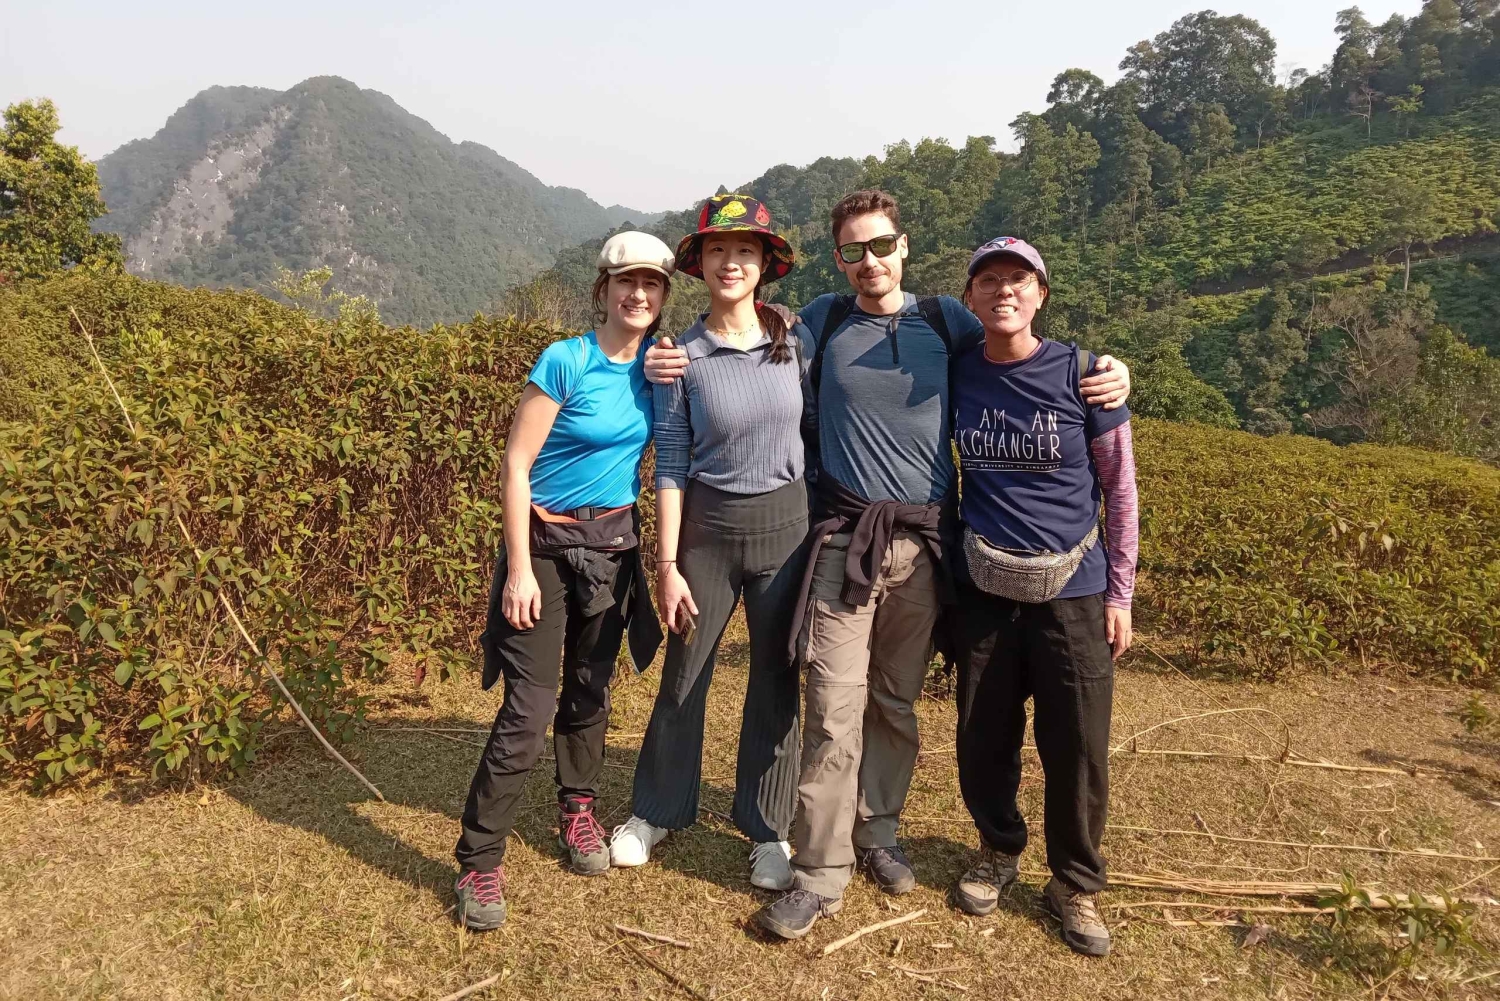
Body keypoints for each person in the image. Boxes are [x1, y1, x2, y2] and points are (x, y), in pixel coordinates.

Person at [645, 190, 1131, 941]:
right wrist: (670, 353)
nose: (869, 261)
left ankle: (879, 831)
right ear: (840, 260)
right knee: (831, 707)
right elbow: (746, 333)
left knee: (895, 704)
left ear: (904, 247)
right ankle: (819, 871)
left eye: (880, 246)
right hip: (845, 542)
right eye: (853, 250)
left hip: (927, 549)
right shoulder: (821, 321)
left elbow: (1017, 350)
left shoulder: (947, 321)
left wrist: (1107, 372)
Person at [452, 231, 673, 932]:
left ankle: (577, 809)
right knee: (529, 706)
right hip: (545, 548)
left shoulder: (659, 367)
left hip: (612, 548)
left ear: (663, 296)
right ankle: (479, 860)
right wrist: (518, 568)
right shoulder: (566, 361)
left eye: (651, 284)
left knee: (589, 688)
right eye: (626, 282)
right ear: (603, 290)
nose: (637, 294)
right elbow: (516, 464)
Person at [608, 194, 808, 892]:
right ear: (699, 263)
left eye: (745, 250)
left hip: (787, 528)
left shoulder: (796, 340)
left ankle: (769, 829)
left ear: (764, 264)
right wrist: (666, 564)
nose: (731, 262)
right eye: (718, 249)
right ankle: (655, 811)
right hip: (707, 531)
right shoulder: (678, 356)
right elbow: (670, 459)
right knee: (685, 671)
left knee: (776, 678)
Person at [946, 237, 1138, 958]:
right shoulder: (957, 369)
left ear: (1041, 294)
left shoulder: (1085, 374)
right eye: (989, 279)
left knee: (1078, 744)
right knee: (983, 734)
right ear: (970, 297)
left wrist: (1120, 592)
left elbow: (1120, 489)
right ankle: (998, 848)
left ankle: (1075, 882)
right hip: (985, 589)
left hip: (1076, 591)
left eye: (1019, 279)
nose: (1004, 290)